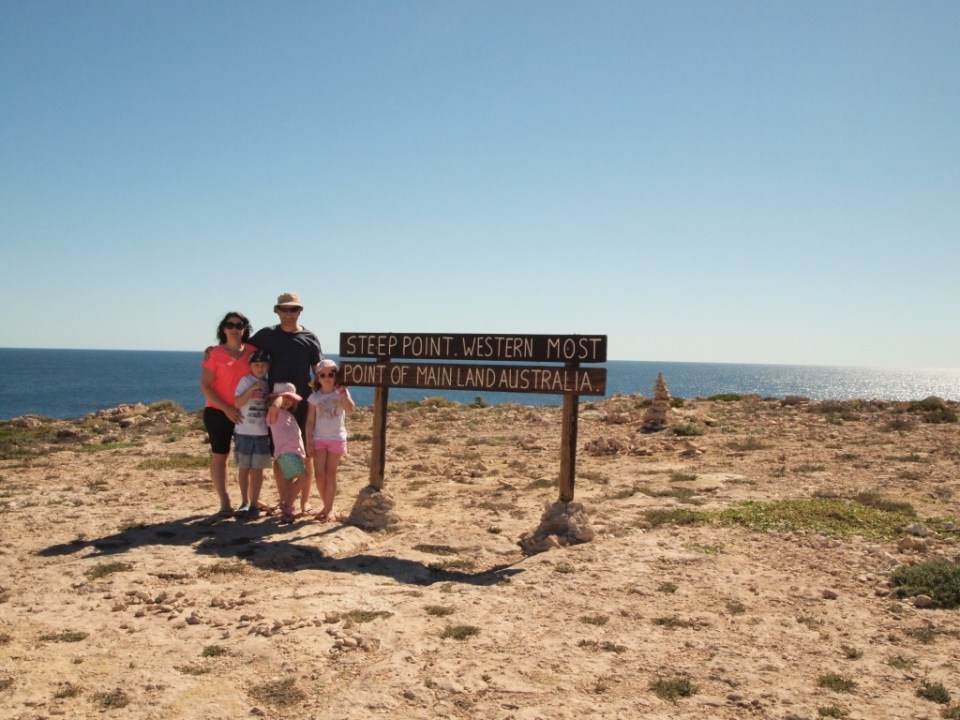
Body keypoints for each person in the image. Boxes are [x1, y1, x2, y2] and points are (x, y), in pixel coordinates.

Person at [249, 292, 323, 513]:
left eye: (293, 309)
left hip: (303, 403)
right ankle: (285, 500)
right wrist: (213, 351)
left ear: (300, 311)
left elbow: (318, 370)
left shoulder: (310, 337)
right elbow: (243, 351)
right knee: (280, 453)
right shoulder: (266, 335)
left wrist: (326, 396)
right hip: (276, 405)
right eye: (285, 309)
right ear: (277, 311)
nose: (289, 314)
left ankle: (304, 501)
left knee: (306, 451)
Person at [200, 311, 256, 516]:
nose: (234, 329)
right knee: (220, 456)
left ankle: (250, 501)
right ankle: (224, 502)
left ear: (244, 329)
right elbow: (206, 387)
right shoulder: (214, 354)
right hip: (218, 412)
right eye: (230, 325)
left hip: (247, 412)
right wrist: (227, 408)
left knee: (248, 458)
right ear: (223, 329)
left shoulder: (253, 351)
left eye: (239, 325)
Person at [305, 359, 356, 522]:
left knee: (330, 473)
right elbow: (310, 421)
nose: (327, 377)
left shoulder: (341, 393)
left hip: (336, 437)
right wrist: (308, 441)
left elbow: (350, 409)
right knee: (319, 475)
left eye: (331, 374)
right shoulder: (314, 397)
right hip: (319, 438)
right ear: (318, 378)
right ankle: (327, 506)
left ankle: (329, 509)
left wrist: (343, 393)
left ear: (336, 376)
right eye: (323, 375)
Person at [232, 349, 272, 519]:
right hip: (243, 432)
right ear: (250, 366)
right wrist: (251, 389)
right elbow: (237, 402)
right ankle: (244, 502)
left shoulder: (269, 383)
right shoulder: (245, 381)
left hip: (262, 433)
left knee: (257, 470)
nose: (260, 368)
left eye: (263, 365)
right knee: (244, 468)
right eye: (256, 365)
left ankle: (254, 504)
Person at [267, 382, 308, 524]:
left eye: (290, 398)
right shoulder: (275, 414)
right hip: (285, 453)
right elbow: (274, 407)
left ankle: (286, 512)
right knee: (303, 477)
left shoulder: (289, 415)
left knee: (289, 482)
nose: (286, 401)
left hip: (293, 453)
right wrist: (279, 398)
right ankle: (287, 506)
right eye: (283, 398)